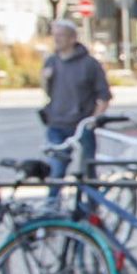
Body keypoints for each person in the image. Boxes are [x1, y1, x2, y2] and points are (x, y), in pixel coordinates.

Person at [41, 18, 110, 180]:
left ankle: (91, 203)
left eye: (61, 35)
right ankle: (52, 203)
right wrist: (44, 79)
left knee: (87, 170)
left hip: (81, 124)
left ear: (72, 38)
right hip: (57, 123)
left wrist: (93, 119)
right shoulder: (52, 61)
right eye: (55, 35)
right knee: (56, 169)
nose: (57, 39)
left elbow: (104, 96)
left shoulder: (89, 64)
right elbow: (48, 92)